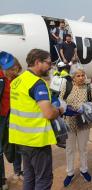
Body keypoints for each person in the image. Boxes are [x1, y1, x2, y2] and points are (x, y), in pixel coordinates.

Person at [9, 49, 65, 190]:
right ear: (37, 62)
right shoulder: (37, 83)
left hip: (21, 138)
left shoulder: (17, 81)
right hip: (37, 140)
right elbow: (48, 113)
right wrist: (59, 110)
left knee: (29, 176)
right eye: (48, 63)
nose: (50, 66)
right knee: (44, 179)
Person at [59, 67, 92, 187]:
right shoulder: (67, 85)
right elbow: (59, 100)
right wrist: (65, 109)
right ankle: (70, 173)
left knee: (83, 148)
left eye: (83, 75)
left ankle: (84, 170)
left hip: (84, 123)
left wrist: (85, 107)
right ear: (73, 77)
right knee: (69, 149)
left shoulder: (89, 87)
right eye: (78, 75)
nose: (81, 77)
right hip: (69, 122)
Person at [0, 51, 22, 189]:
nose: (14, 72)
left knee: (16, 143)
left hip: (13, 116)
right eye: (12, 69)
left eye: (16, 69)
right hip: (2, 117)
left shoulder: (16, 79)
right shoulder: (2, 79)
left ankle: (17, 170)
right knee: (0, 148)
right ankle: (2, 178)